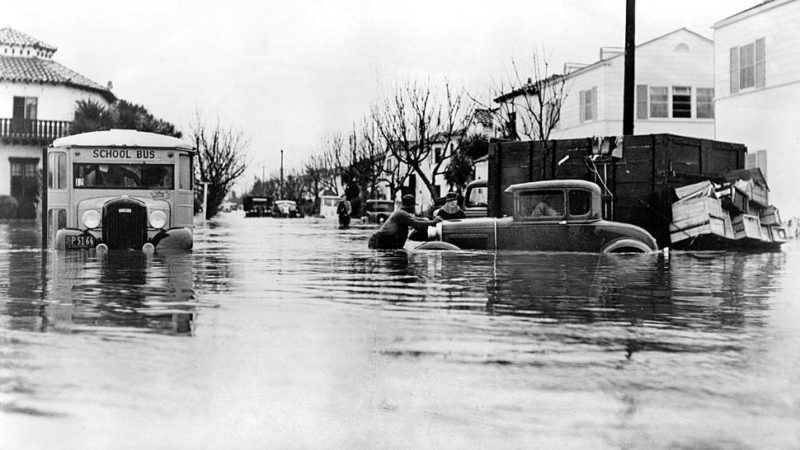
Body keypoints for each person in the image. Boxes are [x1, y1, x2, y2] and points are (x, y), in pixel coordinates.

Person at [368, 194, 442, 249]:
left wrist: (430, 220)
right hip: (379, 243)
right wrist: (433, 222)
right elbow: (417, 224)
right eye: (413, 206)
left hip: (384, 243)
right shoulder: (401, 214)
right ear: (411, 206)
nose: (414, 208)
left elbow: (415, 219)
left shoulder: (401, 213)